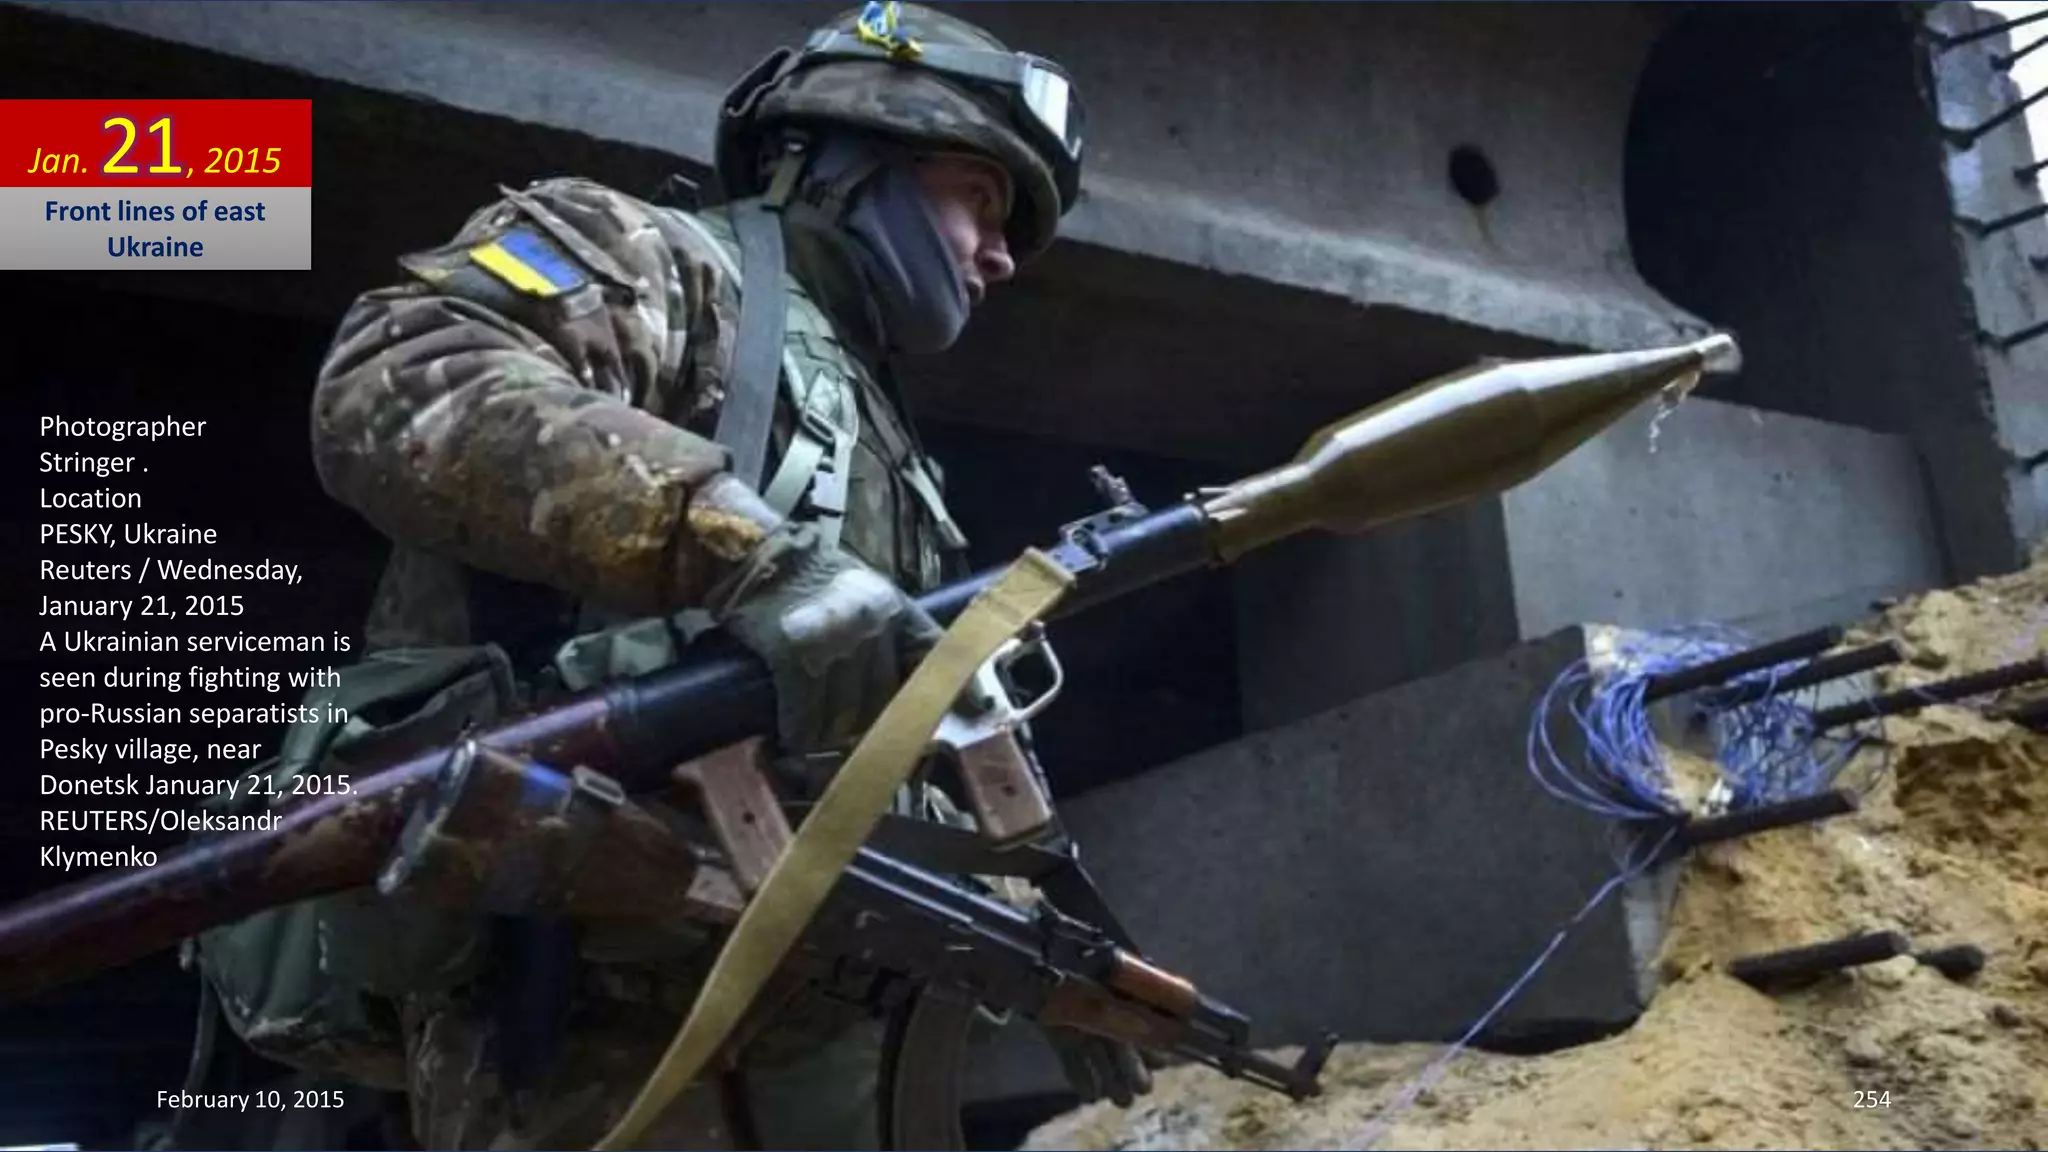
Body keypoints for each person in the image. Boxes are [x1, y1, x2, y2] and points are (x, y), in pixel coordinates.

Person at [196, 4, 1086, 1148]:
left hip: (841, 1024)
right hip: (592, 1014)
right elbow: (401, 383)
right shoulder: (656, 259)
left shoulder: (881, 433)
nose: (1000, 254)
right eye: (982, 196)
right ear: (856, 154)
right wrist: (744, 551)